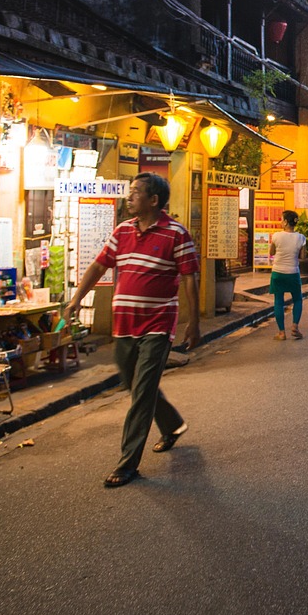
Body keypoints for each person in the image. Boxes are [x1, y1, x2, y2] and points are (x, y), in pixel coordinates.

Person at [64, 172, 199, 489]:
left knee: (141, 392)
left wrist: (193, 322)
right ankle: (173, 424)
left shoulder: (176, 234)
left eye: (136, 192)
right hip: (124, 324)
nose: (129, 197)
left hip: (157, 323)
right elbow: (99, 266)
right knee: (135, 384)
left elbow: (190, 278)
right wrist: (75, 300)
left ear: (153, 200)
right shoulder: (122, 231)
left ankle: (127, 465)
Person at [269, 209, 306, 341]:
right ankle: (295, 325)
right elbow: (302, 256)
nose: (280, 221)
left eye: (281, 219)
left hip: (278, 272)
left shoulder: (276, 236)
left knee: (278, 301)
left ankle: (281, 332)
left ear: (285, 222)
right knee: (297, 299)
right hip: (293, 272)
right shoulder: (301, 238)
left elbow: (272, 252)